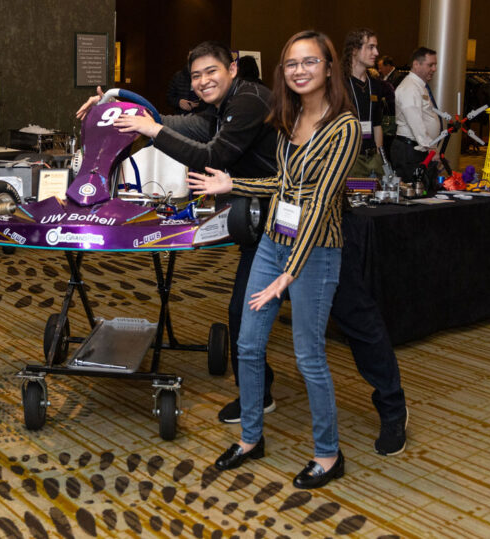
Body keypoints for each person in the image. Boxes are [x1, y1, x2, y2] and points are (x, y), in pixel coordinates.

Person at [188, 30, 359, 489]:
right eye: (290, 64)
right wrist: (233, 185)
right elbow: (283, 189)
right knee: (247, 344)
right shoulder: (289, 119)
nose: (299, 71)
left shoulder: (343, 128)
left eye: (308, 62)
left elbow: (321, 202)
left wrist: (289, 273)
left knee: (308, 356)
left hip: (315, 252)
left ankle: (328, 454)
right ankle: (250, 439)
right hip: (275, 240)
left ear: (327, 68)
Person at [76, 41, 277, 424]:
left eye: (210, 72)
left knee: (315, 318)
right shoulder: (220, 108)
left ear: (232, 68)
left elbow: (211, 156)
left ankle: (384, 403)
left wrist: (149, 129)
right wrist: (117, 108)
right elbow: (182, 124)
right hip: (259, 219)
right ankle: (259, 392)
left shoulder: (249, 100)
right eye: (196, 76)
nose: (203, 81)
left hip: (288, 222)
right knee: (247, 310)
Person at [393, 47, 441, 182]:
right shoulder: (409, 87)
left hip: (418, 149)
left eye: (435, 65)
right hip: (410, 151)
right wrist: (431, 149)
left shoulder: (419, 86)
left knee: (424, 192)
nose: (434, 69)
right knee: (415, 194)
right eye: (430, 65)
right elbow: (415, 121)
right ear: (416, 64)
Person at [341, 29, 384, 177]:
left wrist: (379, 155)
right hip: (350, 159)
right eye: (370, 47)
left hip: (373, 159)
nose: (376, 52)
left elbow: (377, 124)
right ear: (354, 50)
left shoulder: (375, 84)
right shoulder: (340, 84)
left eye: (376, 47)